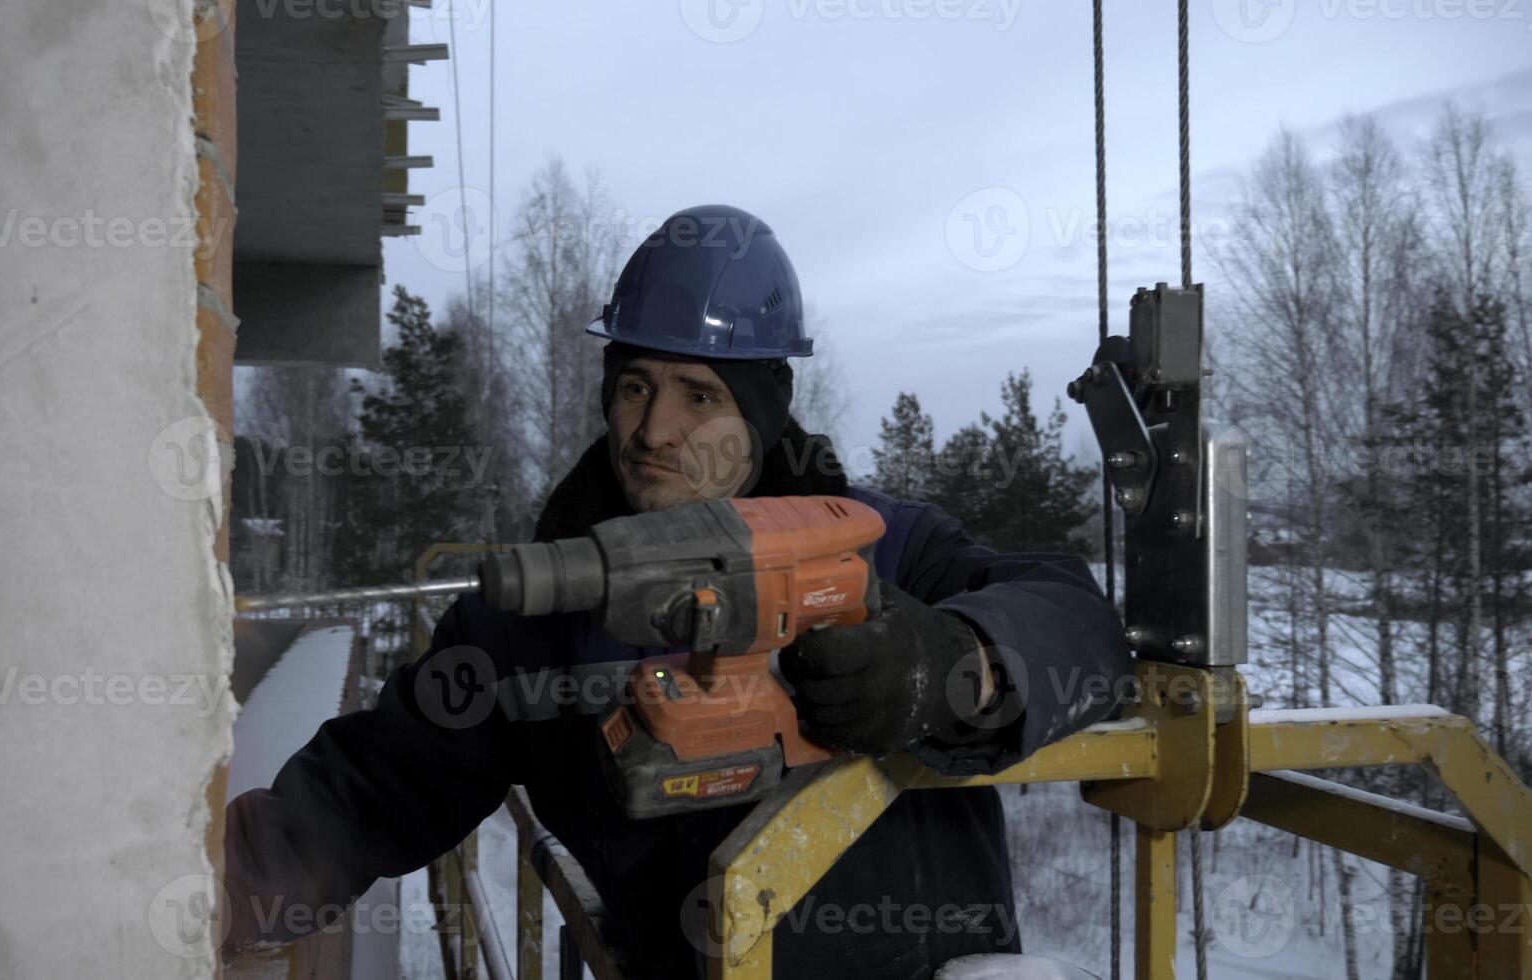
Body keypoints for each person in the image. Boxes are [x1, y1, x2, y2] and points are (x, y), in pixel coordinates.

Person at [224, 204, 1134, 979]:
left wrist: (952, 666)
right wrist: (194, 896)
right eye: (634, 386)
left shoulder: (882, 552)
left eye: (700, 394)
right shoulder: (533, 621)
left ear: (762, 411)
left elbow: (1079, 624)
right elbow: (372, 791)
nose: (654, 430)